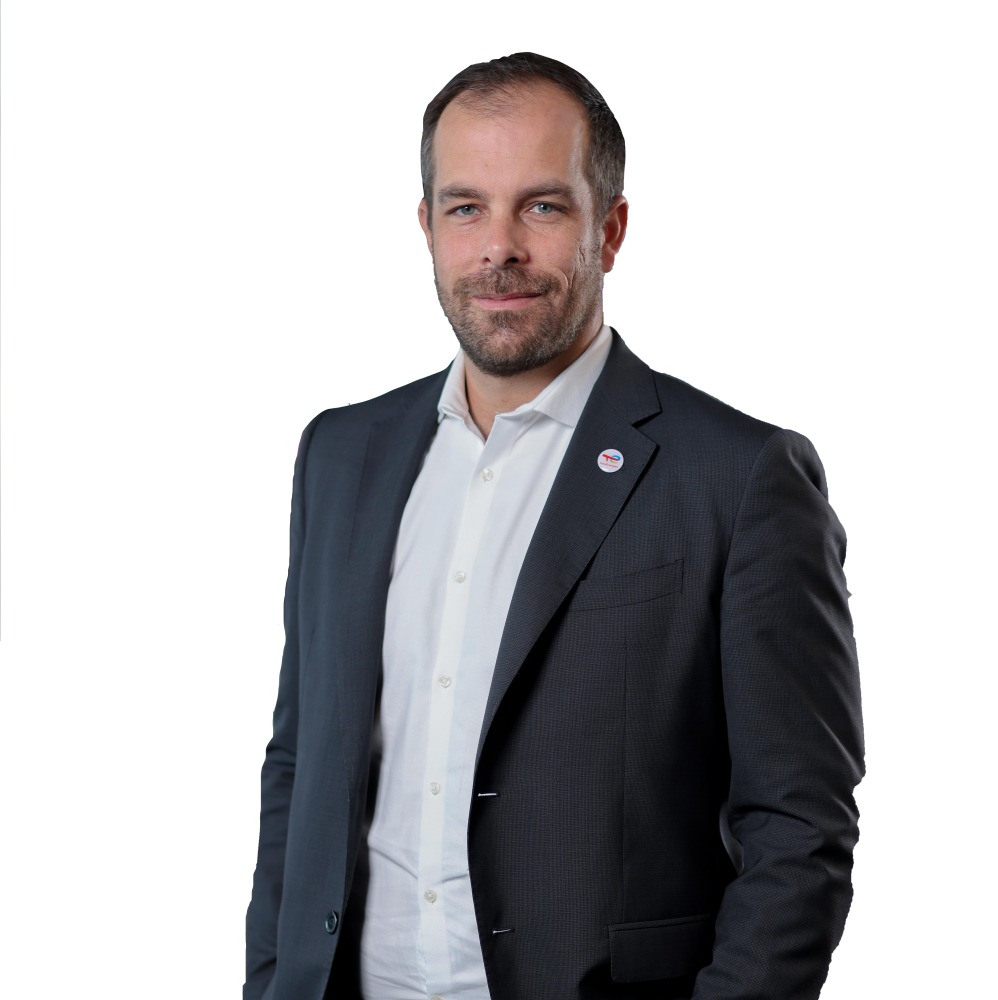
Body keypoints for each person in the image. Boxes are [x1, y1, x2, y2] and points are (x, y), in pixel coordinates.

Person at [244, 52, 864, 1000]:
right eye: (466, 208)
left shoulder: (738, 479)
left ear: (609, 230)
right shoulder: (340, 456)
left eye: (541, 206)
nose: (498, 247)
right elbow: (299, 765)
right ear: (427, 228)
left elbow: (798, 826)